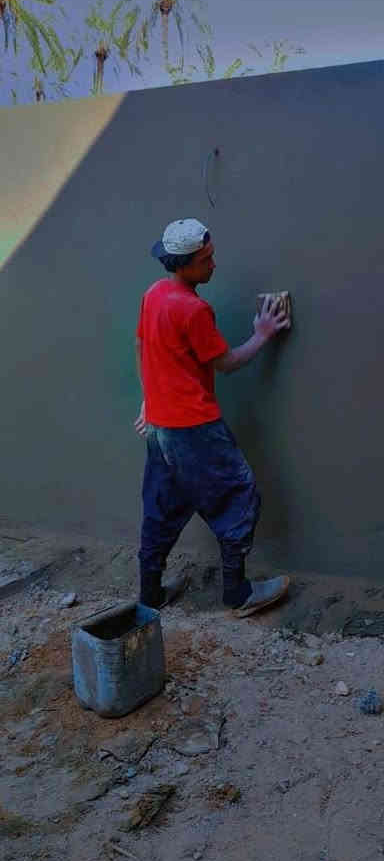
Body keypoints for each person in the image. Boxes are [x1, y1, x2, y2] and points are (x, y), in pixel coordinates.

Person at [134, 217, 291, 617]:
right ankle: (238, 594)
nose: (213, 264)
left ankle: (150, 595)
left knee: (161, 507)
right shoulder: (194, 309)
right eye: (205, 260)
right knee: (238, 496)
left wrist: (148, 402)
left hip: (161, 429)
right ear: (183, 264)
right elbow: (227, 363)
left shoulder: (153, 294)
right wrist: (263, 333)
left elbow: (144, 348)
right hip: (194, 429)